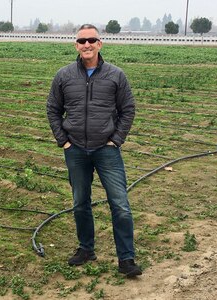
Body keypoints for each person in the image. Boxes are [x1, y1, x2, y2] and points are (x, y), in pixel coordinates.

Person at [46, 24, 142, 277]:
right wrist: (63, 142)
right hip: (75, 149)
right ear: (75, 45)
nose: (86, 45)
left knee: (120, 204)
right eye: (82, 41)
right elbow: (53, 109)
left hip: (106, 149)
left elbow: (128, 109)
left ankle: (126, 259)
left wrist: (116, 140)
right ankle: (86, 249)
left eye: (91, 40)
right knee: (80, 203)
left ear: (100, 44)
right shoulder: (64, 76)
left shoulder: (115, 75)